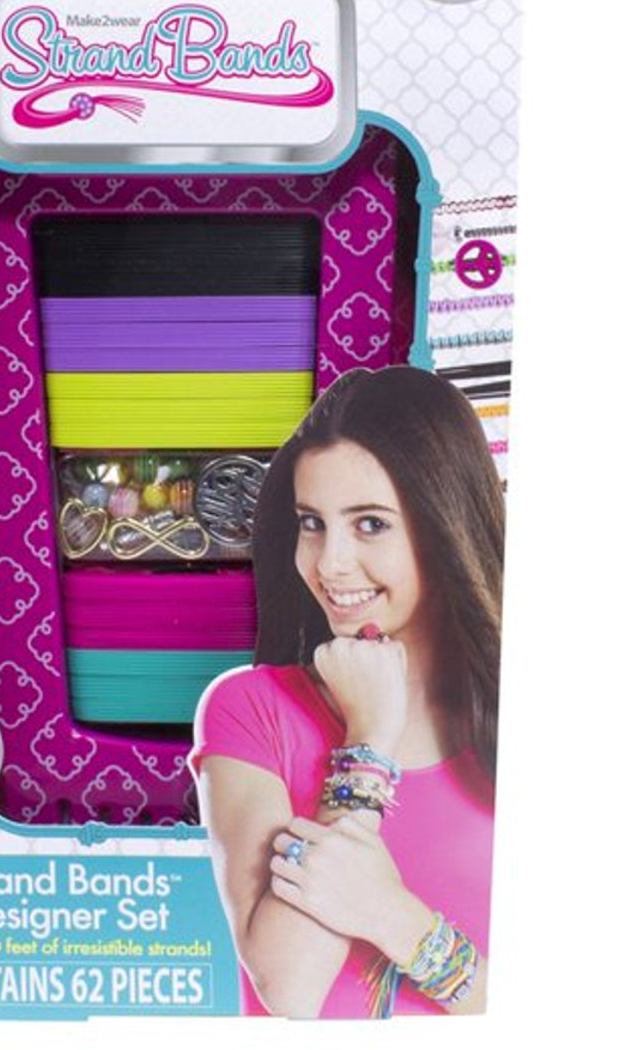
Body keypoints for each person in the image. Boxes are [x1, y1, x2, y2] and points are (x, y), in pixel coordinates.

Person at [189, 366, 504, 1019]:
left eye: (370, 524)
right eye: (312, 522)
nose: (329, 563)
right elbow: (291, 990)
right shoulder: (251, 711)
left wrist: (393, 917)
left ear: (446, 525)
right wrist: (369, 745)